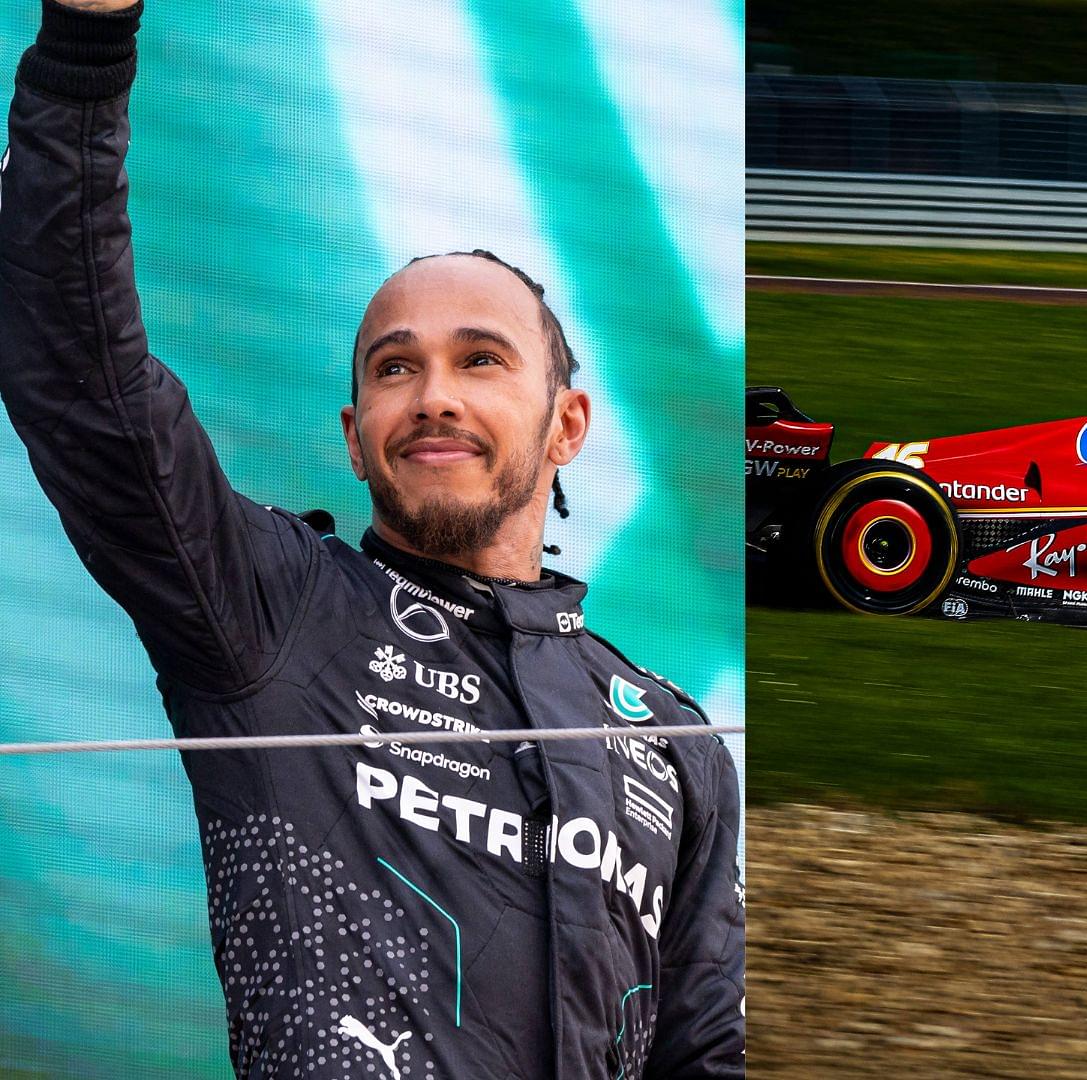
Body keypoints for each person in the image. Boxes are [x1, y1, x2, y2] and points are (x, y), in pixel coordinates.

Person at [0, 1, 744, 1076]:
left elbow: (710, 1051)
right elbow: (81, 381)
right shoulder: (273, 611)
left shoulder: (674, 745)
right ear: (356, 440)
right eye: (396, 368)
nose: (433, 396)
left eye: (481, 359)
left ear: (567, 425)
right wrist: (84, 39)